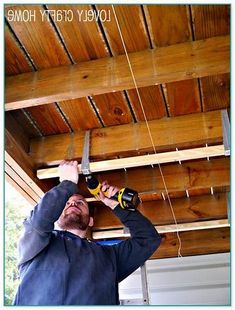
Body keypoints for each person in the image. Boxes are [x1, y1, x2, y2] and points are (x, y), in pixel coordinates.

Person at [13, 160, 161, 305]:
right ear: (57, 218)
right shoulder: (38, 244)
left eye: (80, 203)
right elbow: (38, 222)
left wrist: (116, 205)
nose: (73, 204)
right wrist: (67, 184)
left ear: (90, 221)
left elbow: (148, 239)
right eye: (67, 203)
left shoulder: (110, 256)